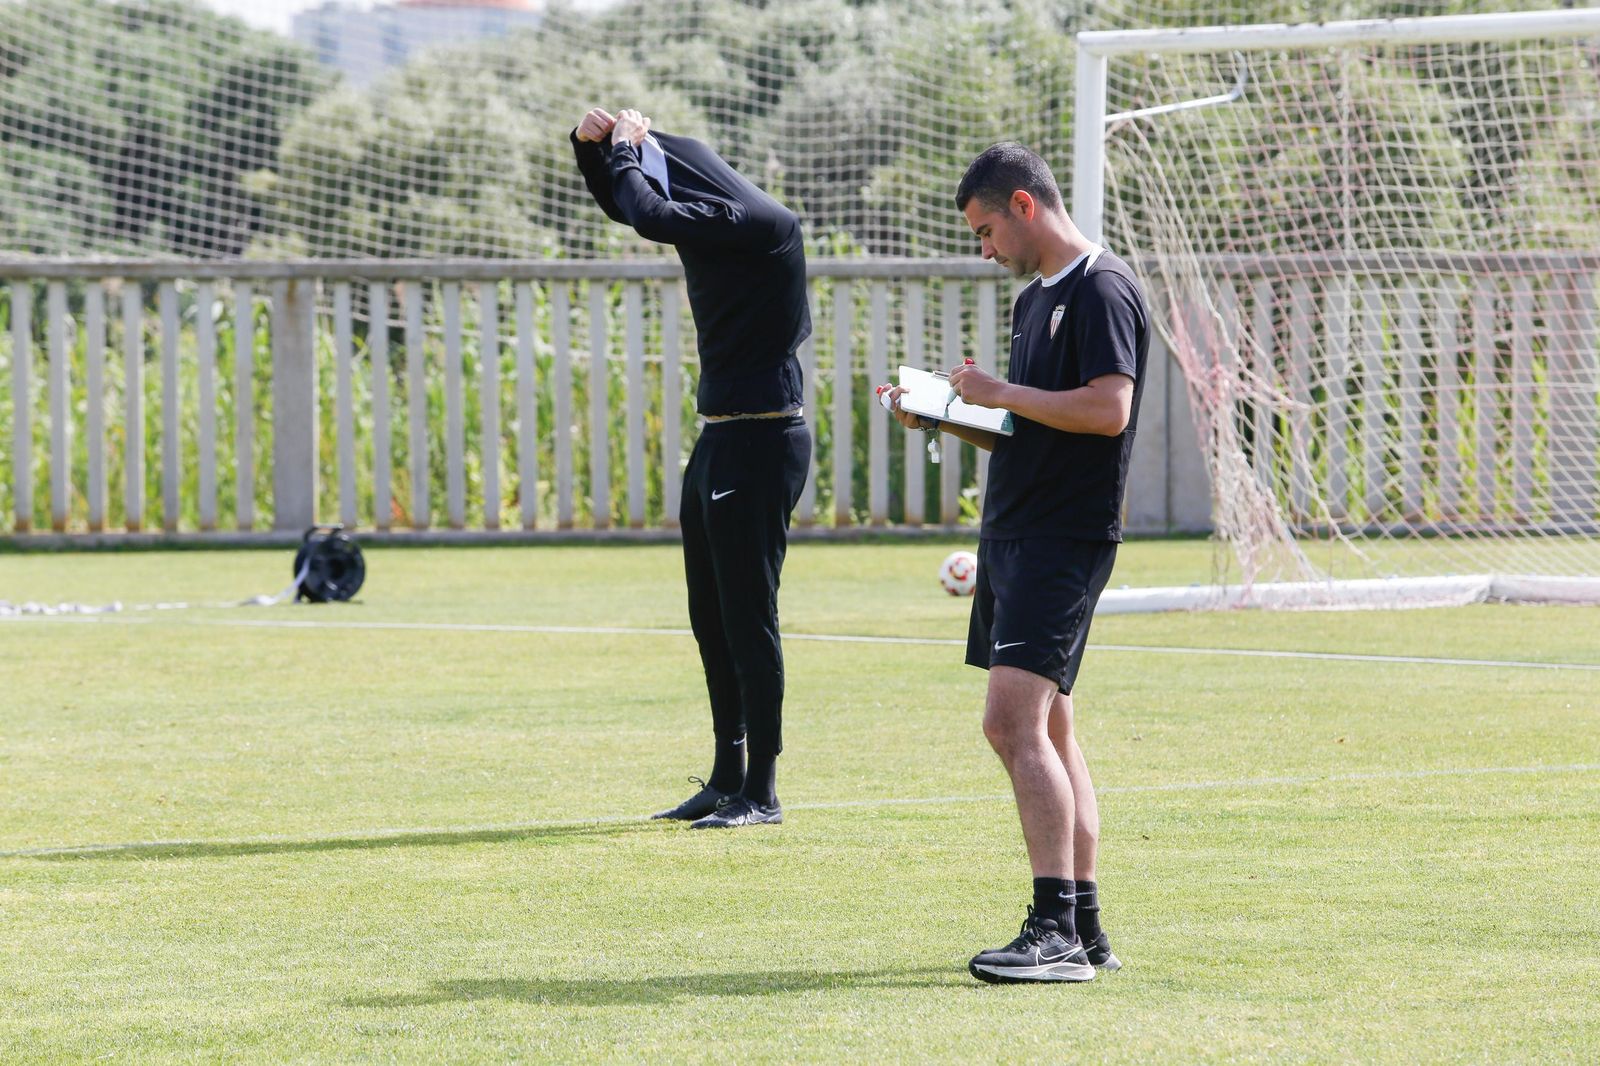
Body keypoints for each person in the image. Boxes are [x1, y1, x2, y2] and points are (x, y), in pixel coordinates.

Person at [883, 143, 1147, 982]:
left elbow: (1108, 410)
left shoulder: (1102, 287)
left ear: (1025, 206)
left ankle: (1053, 931)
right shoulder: (1036, 302)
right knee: (1053, 728)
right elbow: (1027, 424)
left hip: (1061, 538)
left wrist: (1000, 392)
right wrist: (945, 414)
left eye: (988, 228)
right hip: (1013, 532)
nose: (985, 248)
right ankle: (1089, 926)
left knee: (1010, 725)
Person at [572, 107, 811, 829]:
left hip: (765, 440)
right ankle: (724, 775)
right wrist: (592, 151)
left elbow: (649, 213)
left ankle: (761, 791)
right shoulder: (715, 216)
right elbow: (633, 204)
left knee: (748, 615)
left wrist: (625, 152)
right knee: (710, 615)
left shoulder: (758, 223)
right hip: (720, 437)